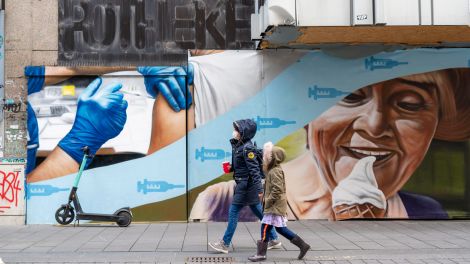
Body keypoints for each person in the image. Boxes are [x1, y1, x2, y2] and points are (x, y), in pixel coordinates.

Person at [191, 68, 470, 220]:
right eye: (348, 96)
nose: (374, 124)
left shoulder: (426, 213)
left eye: (409, 103)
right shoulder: (219, 204)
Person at [208, 119, 281, 254]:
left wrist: (260, 190)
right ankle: (274, 238)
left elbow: (254, 170)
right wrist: (230, 168)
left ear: (244, 132)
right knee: (259, 212)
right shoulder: (239, 146)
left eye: (237, 129)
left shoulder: (247, 149)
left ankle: (224, 243)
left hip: (247, 186)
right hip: (244, 184)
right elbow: (241, 166)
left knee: (233, 211)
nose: (234, 132)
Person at [248, 143, 310, 262]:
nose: (265, 158)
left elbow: (277, 190)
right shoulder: (273, 170)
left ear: (273, 158)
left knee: (265, 227)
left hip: (273, 206)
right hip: (275, 205)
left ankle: (261, 254)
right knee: (280, 229)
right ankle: (303, 245)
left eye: (268, 156)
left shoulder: (274, 171)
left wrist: (268, 201)